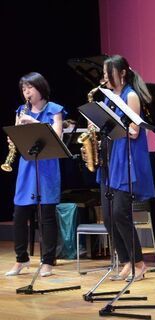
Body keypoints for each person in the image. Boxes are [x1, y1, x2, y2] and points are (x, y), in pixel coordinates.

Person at [100, 54, 155, 281]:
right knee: (108, 216)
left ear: (121, 74)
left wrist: (113, 119)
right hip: (110, 157)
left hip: (126, 157)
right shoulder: (107, 97)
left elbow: (134, 131)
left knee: (120, 213)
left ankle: (139, 263)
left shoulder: (130, 95)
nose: (104, 76)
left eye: (107, 72)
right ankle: (125, 261)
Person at [5, 72, 66, 277]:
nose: (26, 92)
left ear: (40, 87)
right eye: (23, 89)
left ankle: (48, 261)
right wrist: (13, 140)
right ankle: (21, 260)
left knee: (47, 215)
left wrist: (34, 123)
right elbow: (16, 134)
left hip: (47, 166)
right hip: (27, 165)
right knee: (20, 214)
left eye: (29, 87)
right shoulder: (20, 111)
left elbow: (57, 137)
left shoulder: (55, 110)